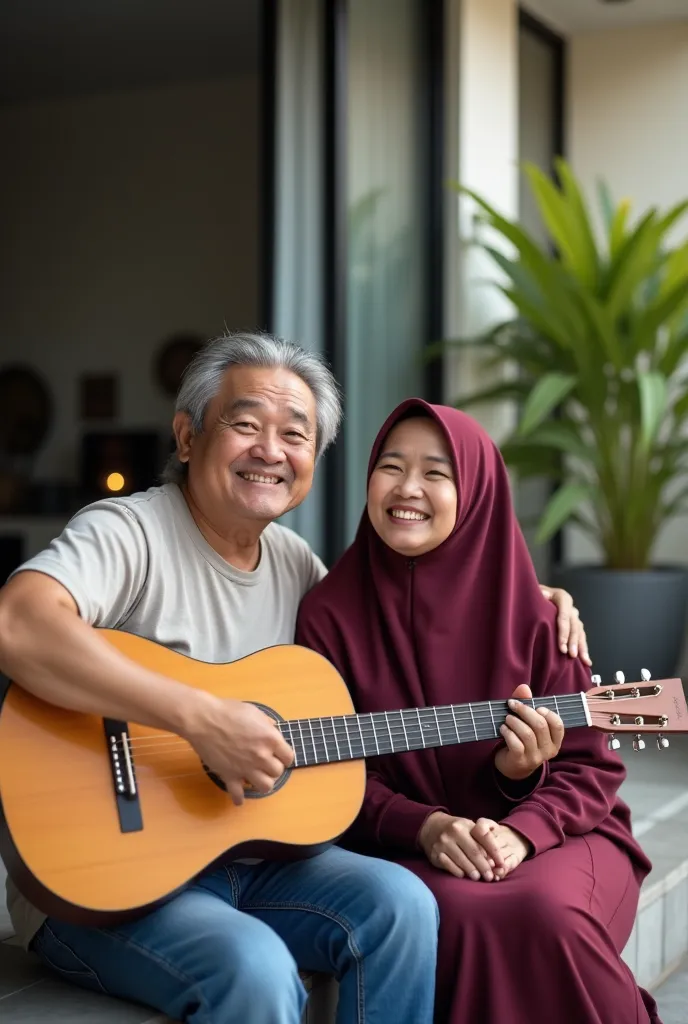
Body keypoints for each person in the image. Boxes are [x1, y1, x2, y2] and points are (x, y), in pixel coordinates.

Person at [0, 333, 586, 1024]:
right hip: (98, 877)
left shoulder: (298, 566)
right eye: (245, 424)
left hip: (252, 859)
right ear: (187, 437)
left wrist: (526, 595)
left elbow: (407, 606)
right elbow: (18, 624)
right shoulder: (128, 532)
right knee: (255, 968)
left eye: (295, 434)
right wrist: (200, 719)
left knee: (401, 907)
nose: (270, 451)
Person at [296, 399, 660, 1024]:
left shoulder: (538, 616)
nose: (408, 488)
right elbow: (334, 773)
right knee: (457, 915)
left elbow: (591, 772)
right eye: (391, 465)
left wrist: (521, 807)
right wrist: (429, 827)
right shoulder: (328, 615)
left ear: (478, 493)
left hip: (564, 836)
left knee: (546, 912)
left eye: (437, 473)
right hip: (415, 848)